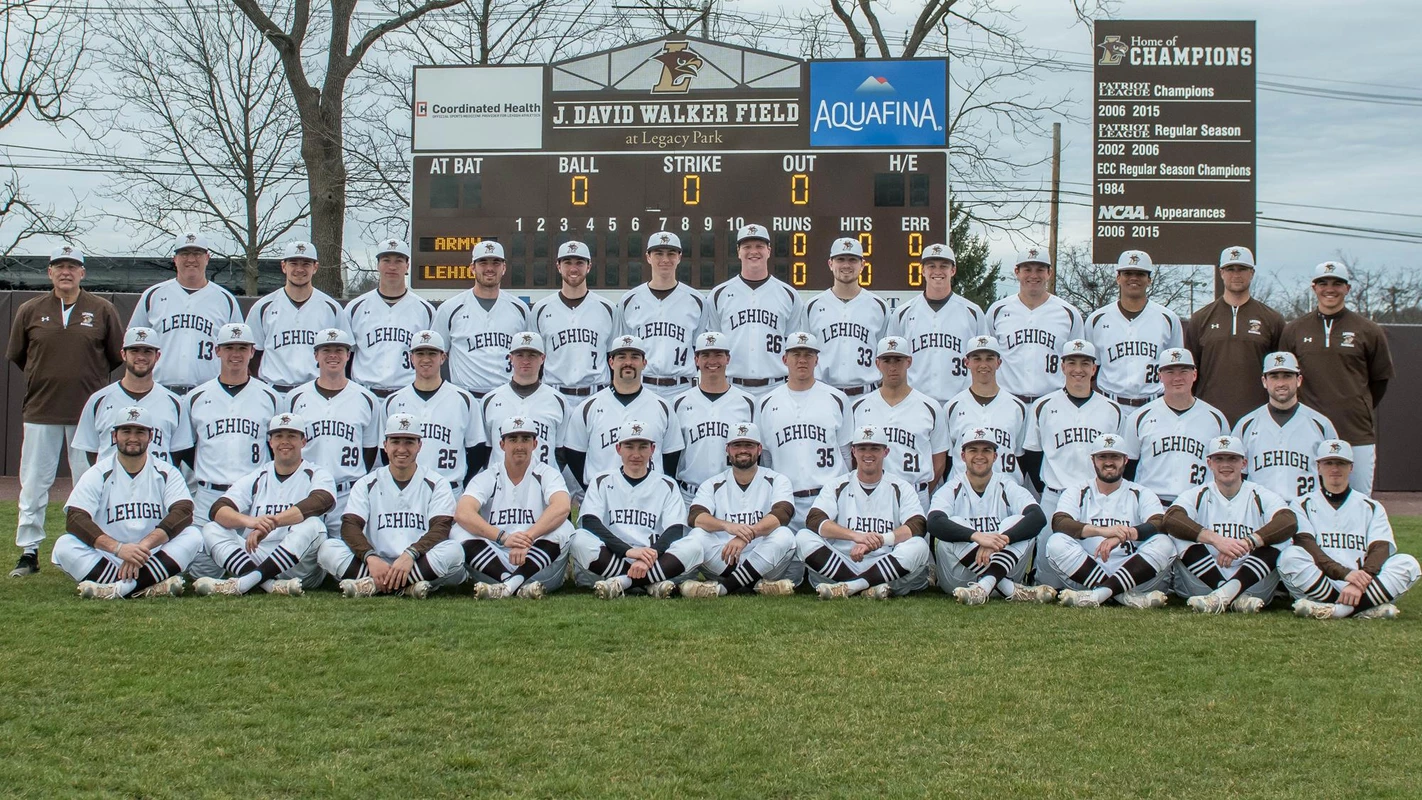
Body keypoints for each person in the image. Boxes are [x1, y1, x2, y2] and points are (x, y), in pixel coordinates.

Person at [8, 243, 124, 577]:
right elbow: (19, 355)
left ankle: (84, 543)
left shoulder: (101, 309)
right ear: (49, 272)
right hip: (41, 409)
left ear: (82, 272)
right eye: (59, 266)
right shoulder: (30, 310)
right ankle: (29, 552)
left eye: (72, 266)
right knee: (33, 483)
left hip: (87, 415)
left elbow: (117, 357)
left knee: (87, 483)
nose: (66, 272)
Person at [52, 407, 199, 599]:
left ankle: (116, 589)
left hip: (153, 556)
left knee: (193, 535)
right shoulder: (98, 473)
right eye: (126, 431)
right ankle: (148, 586)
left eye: (140, 432)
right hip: (109, 556)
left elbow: (183, 512)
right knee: (64, 545)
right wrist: (119, 549)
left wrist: (142, 548)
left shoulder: (166, 472)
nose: (133, 438)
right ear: (114, 436)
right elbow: (75, 518)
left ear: (150, 436)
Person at [317, 413, 466, 598]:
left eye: (409, 442)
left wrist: (411, 554)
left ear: (420, 445)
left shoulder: (437, 482)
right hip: (377, 563)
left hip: (419, 560)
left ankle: (373, 585)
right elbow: (350, 526)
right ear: (385, 445)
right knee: (327, 549)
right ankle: (408, 587)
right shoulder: (367, 482)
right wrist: (369, 557)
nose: (401, 449)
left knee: (454, 551)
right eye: (395, 441)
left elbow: (441, 528)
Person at [1280, 261, 1394, 494]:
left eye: (1337, 283)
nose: (1329, 289)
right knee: (1307, 503)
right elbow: (1285, 378)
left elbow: (1379, 380)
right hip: (1307, 432)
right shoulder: (1294, 329)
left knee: (1359, 502)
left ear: (1347, 288)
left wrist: (1357, 405)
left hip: (1355, 431)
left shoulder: (1368, 330)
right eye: (1323, 283)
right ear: (1314, 288)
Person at [192, 412, 334, 596]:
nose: (285, 441)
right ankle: (267, 584)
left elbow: (321, 501)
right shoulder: (258, 475)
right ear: (270, 442)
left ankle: (244, 583)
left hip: (299, 564)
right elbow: (218, 509)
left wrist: (272, 522)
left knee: (314, 524)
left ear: (303, 442)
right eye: (278, 436)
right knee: (211, 528)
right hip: (258, 555)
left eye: (292, 436)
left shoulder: (316, 473)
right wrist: (250, 522)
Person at [1019, 339, 1124, 585]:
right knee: (1046, 573)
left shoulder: (1112, 409)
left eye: (1085, 363)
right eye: (1072, 362)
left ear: (1094, 368)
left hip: (1096, 498)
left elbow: (1121, 460)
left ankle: (1101, 588)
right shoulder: (1043, 405)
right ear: (1063, 366)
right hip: (1055, 496)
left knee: (1097, 558)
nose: (1079, 369)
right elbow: (1032, 455)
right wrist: (1046, 487)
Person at [1282, 440, 1419, 620]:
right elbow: (1307, 546)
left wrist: (1360, 582)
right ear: (1318, 467)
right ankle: (1365, 608)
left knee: (1408, 565)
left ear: (1351, 467)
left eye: (1341, 463)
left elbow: (1380, 548)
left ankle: (1336, 611)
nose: (1335, 468)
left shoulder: (1370, 506)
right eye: (1328, 463)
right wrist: (1345, 574)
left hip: (1362, 584)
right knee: (1289, 557)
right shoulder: (1302, 503)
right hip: (1321, 581)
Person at [1162, 436, 1297, 614]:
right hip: (1204, 580)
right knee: (1177, 536)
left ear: (1244, 463)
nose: (1226, 464)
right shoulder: (1198, 493)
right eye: (1219, 459)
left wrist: (1249, 542)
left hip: (1251, 581)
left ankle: (1225, 594)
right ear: (1209, 463)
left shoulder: (1259, 493)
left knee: (1283, 540)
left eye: (1233, 458)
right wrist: (1217, 540)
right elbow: (1171, 519)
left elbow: (1288, 521)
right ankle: (1229, 595)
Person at [795, 425, 933, 600]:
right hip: (844, 562)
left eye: (875, 448)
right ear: (853, 451)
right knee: (803, 537)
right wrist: (856, 536)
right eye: (862, 448)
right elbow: (815, 520)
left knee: (919, 545)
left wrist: (882, 540)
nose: (868, 454)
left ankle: (851, 586)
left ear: (886, 452)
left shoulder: (900, 487)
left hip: (886, 562)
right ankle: (867, 586)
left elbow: (917, 524)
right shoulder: (838, 484)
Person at [571, 421, 704, 599]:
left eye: (643, 447)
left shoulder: (667, 484)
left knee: (694, 545)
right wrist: (628, 551)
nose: (636, 454)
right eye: (629, 446)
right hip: (613, 557)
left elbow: (675, 529)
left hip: (652, 559)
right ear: (618, 449)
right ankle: (649, 584)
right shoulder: (601, 480)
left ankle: (622, 583)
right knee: (579, 539)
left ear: (653, 449)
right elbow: (589, 522)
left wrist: (652, 553)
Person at [1047, 434, 1175, 609]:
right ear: (1093, 460)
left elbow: (1159, 522)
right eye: (1102, 457)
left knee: (1165, 543)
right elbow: (1060, 522)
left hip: (1133, 571)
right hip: (1085, 571)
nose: (1108, 462)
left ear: (1125, 460)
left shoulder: (1140, 492)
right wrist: (1103, 531)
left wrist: (1124, 535)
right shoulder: (1077, 491)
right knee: (1055, 542)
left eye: (1115, 456)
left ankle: (1099, 595)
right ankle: (1123, 596)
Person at [926, 430, 1053, 605]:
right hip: (960, 580)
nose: (980, 455)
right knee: (954, 524)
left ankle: (984, 588)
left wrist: (1002, 540)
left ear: (995, 456)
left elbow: (1038, 517)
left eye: (986, 450)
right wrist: (977, 537)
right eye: (973, 450)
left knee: (1015, 523)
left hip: (1003, 568)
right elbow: (934, 522)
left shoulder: (1007, 485)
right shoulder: (952, 488)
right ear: (962, 456)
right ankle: (1009, 589)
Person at [454, 416, 575, 600]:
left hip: (537, 561)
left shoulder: (547, 473)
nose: (519, 446)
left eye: (525, 439)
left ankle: (508, 586)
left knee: (565, 527)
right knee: (458, 530)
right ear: (502, 445)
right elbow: (463, 512)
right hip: (495, 563)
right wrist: (504, 538)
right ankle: (511, 583)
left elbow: (562, 506)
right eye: (513, 439)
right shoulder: (489, 476)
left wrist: (527, 538)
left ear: (535, 444)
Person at [176, 324, 282, 530]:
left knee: (255, 557)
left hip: (255, 495)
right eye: (229, 347)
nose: (236, 354)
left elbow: (277, 447)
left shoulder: (270, 397)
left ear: (252, 351)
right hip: (209, 493)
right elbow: (186, 448)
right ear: (217, 350)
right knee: (202, 559)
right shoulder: (196, 397)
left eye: (242, 348)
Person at [680, 422, 798, 598]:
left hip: (764, 559)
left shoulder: (777, 479)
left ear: (759, 449)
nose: (743, 450)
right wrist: (727, 526)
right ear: (728, 449)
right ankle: (758, 586)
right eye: (737, 445)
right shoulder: (713, 483)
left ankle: (722, 589)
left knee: (785, 535)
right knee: (696, 535)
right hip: (726, 559)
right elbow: (696, 517)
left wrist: (745, 537)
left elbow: (782, 513)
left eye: (748, 445)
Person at [286, 328, 381, 536]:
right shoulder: (295, 397)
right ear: (316, 355)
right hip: (305, 490)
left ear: (348, 355)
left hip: (347, 492)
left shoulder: (366, 398)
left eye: (339, 350)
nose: (333, 355)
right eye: (326, 349)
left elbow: (370, 449)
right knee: (301, 555)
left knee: (347, 555)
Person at [560, 334, 683, 492]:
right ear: (611, 362)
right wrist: (593, 490)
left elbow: (671, 456)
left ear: (644, 363)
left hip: (650, 496)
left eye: (635, 357)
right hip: (603, 497)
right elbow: (574, 454)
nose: (628, 363)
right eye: (621, 357)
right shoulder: (588, 407)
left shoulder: (662, 407)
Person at [757, 332, 853, 532]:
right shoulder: (766, 402)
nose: (802, 360)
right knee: (786, 558)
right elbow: (766, 457)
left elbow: (846, 453)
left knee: (829, 559)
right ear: (784, 359)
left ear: (817, 360)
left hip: (829, 498)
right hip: (786, 500)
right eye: (796, 354)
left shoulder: (837, 398)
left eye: (808, 355)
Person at [128, 230, 242, 395]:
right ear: (175, 259)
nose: (190, 259)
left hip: (210, 392)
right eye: (184, 254)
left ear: (207, 258)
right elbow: (133, 342)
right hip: (159, 391)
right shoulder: (153, 295)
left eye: (197, 253)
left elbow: (239, 349)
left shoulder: (225, 299)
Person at [1186, 246, 1284, 425]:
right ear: (1221, 272)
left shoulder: (1272, 319)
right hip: (1209, 416)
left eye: (1242, 269)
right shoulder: (1201, 318)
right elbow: (1191, 372)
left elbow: (1280, 373)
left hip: (1259, 418)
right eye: (1230, 269)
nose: (1236, 275)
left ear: (1252, 273)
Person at [1119, 348, 1228, 505]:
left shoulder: (1216, 418)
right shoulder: (1140, 417)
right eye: (1170, 372)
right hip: (1151, 506)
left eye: (1183, 371)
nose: (1177, 378)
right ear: (1160, 376)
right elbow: (1127, 468)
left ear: (1194, 374)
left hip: (1199, 506)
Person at [706, 223, 805, 396]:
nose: (753, 251)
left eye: (759, 246)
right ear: (738, 251)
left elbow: (795, 346)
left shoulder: (789, 295)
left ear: (769, 250)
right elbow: (713, 345)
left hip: (777, 388)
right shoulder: (719, 294)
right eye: (747, 247)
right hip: (731, 387)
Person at [850, 335, 949, 510]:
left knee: (916, 539)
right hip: (871, 493)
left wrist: (923, 490)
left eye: (898, 360)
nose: (893, 366)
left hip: (916, 493)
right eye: (887, 360)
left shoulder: (930, 406)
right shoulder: (859, 406)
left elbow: (939, 461)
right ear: (877, 363)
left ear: (909, 362)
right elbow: (852, 456)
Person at [74, 327, 191, 466]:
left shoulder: (174, 402)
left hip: (156, 484)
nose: (141, 357)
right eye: (134, 350)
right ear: (123, 354)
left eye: (147, 351)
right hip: (111, 484)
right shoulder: (98, 400)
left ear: (157, 356)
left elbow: (178, 453)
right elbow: (91, 450)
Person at [245, 240, 350, 394]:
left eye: (306, 264)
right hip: (274, 390)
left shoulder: (331, 308)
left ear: (315, 267)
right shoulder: (263, 307)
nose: (299, 269)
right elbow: (253, 354)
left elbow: (346, 353)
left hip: (315, 393)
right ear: (283, 266)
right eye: (293, 263)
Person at [384, 330, 484, 491]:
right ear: (411, 358)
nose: (426, 359)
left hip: (450, 488)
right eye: (420, 353)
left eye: (432, 353)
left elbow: (477, 450)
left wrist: (462, 482)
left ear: (443, 357)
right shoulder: (394, 401)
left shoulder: (463, 399)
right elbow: (385, 452)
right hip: (406, 488)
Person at [887, 242, 987, 404]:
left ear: (953, 270)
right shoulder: (903, 313)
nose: (938, 271)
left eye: (944, 266)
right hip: (914, 402)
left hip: (961, 401)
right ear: (923, 270)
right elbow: (891, 359)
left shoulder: (972, 312)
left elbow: (985, 359)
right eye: (931, 266)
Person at [1232, 351, 1337, 501]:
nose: (1281, 383)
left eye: (1287, 376)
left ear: (1299, 379)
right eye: (1274, 377)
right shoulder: (1246, 425)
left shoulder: (1321, 424)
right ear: (1264, 381)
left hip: (1306, 512)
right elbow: (1235, 475)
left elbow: (1333, 476)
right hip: (1260, 512)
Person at [986, 246, 1085, 405]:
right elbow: (987, 358)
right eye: (1027, 269)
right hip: (1006, 402)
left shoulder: (1068, 313)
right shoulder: (997, 311)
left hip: (1054, 402)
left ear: (1049, 273)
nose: (1033, 275)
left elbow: (1079, 360)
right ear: (1017, 272)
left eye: (1040, 270)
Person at [432, 241, 530, 398]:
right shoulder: (450, 308)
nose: (489, 268)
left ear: (503, 268)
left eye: (496, 263)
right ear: (472, 268)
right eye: (483, 262)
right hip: (465, 397)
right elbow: (435, 355)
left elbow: (531, 356)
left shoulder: (520, 309)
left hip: (509, 397)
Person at [1086, 249, 1183, 408]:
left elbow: (1176, 367)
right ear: (1118, 278)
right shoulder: (1097, 319)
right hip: (1109, 404)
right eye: (1127, 273)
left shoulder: (1168, 318)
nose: (1134, 278)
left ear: (1149, 279)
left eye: (1140, 274)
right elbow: (1089, 369)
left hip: (1155, 404)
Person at [615, 231, 706, 399]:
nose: (665, 259)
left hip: (683, 388)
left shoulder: (697, 301)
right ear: (648, 257)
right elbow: (621, 350)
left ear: (679, 257)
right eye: (658, 253)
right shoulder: (629, 300)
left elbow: (700, 349)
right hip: (641, 386)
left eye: (671, 253)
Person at [670, 332, 756, 501]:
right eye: (705, 355)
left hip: (734, 495)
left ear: (727, 358)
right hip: (690, 494)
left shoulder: (747, 402)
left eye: (718, 355)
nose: (712, 361)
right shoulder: (679, 402)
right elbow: (672, 456)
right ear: (696, 360)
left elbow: (757, 454)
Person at [346, 238, 435, 398]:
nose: (392, 266)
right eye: (386, 260)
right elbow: (345, 356)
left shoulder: (424, 309)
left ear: (407, 266)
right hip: (364, 393)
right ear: (378, 264)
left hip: (409, 394)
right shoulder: (355, 308)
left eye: (399, 261)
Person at [804, 237, 889, 396]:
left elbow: (887, 355)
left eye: (852, 260)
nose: (846, 265)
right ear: (830, 264)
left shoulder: (879, 306)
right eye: (840, 259)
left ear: (862, 265)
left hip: (867, 394)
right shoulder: (812, 306)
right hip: (823, 394)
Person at [533, 241, 617, 397]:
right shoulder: (540, 309)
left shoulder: (608, 308)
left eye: (579, 263)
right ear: (558, 266)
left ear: (589, 266)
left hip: (597, 394)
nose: (573, 268)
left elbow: (615, 357)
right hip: (553, 394)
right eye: (567, 263)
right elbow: (534, 358)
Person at [942, 335, 1029, 486]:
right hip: (962, 489)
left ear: (999, 362)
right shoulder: (952, 406)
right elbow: (948, 459)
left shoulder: (1017, 407)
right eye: (977, 359)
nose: (983, 364)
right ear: (967, 362)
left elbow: (1021, 457)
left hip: (1007, 490)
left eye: (989, 358)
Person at [477, 331, 570, 470]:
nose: (525, 361)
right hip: (501, 484)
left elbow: (561, 451)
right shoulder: (490, 400)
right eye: (520, 355)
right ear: (510, 358)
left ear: (542, 358)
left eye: (532, 355)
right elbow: (485, 450)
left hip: (543, 484)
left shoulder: (558, 400)